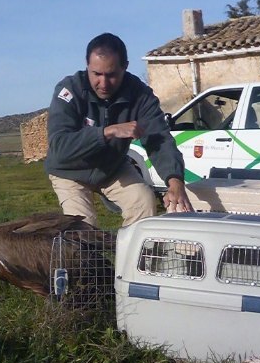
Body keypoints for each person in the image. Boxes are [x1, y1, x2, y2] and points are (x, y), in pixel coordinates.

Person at [44, 32, 193, 227]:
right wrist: (107, 132)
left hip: (112, 168)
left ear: (125, 67)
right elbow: (60, 147)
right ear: (87, 65)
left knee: (144, 201)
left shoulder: (140, 94)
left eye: (112, 75)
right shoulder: (69, 91)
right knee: (83, 229)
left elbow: (159, 139)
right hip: (69, 170)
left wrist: (175, 181)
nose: (103, 83)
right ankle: (87, 257)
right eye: (96, 74)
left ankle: (131, 256)